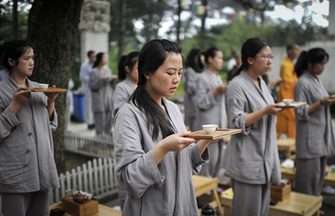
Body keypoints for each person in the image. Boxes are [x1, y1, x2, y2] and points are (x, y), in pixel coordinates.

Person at [114, 39, 216, 215]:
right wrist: (163, 147)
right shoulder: (128, 114)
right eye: (170, 73)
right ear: (147, 73)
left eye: (180, 72)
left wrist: (204, 140)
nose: (177, 79)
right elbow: (129, 178)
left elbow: (185, 162)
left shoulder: (173, 108)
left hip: (183, 203)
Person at [223, 37, 281, 216]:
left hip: (264, 156)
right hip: (247, 158)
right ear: (250, 59)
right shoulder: (236, 85)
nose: (270, 60)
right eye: (265, 56)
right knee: (247, 211)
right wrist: (265, 111)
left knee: (261, 211)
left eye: (271, 56)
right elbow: (235, 121)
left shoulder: (261, 82)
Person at [0, 40, 59, 216]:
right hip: (15, 172)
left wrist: (51, 101)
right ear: (11, 61)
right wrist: (15, 105)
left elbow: (50, 127)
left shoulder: (40, 89)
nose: (32, 62)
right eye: (27, 58)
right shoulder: (1, 91)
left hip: (42, 168)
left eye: (33, 57)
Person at [294, 47, 335, 195]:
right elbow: (300, 111)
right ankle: (305, 209)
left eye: (324, 64)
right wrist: (322, 103)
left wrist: (327, 101)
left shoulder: (316, 80)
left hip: (320, 139)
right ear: (310, 63)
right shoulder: (302, 83)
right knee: (307, 182)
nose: (323, 67)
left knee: (318, 178)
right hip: (309, 141)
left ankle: (315, 207)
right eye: (320, 64)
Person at [193, 46, 227, 177]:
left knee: (218, 161)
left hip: (219, 125)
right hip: (207, 126)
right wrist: (215, 91)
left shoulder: (218, 77)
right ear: (210, 59)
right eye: (219, 58)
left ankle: (212, 189)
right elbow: (200, 102)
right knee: (207, 163)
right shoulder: (201, 78)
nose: (221, 61)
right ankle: (204, 193)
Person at [277, 44, 300, 139]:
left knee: (289, 119)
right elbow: (288, 82)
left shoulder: (290, 64)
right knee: (290, 117)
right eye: (296, 50)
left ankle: (289, 141)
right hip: (286, 94)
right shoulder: (285, 64)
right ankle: (290, 142)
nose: (298, 53)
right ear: (290, 51)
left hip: (290, 94)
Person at [89, 52, 114, 136]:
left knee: (109, 119)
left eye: (107, 58)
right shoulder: (93, 71)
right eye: (104, 58)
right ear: (99, 59)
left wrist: (112, 80)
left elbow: (110, 85)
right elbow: (92, 86)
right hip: (99, 100)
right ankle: (99, 140)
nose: (106, 60)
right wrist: (102, 80)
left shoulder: (108, 70)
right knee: (100, 121)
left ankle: (107, 139)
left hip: (108, 98)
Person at [183, 48, 204, 130]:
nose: (203, 57)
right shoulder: (190, 70)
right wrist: (202, 85)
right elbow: (190, 88)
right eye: (201, 55)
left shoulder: (202, 70)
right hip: (192, 104)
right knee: (194, 128)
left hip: (201, 103)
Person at [112, 51, 139, 116]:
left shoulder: (141, 86)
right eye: (138, 68)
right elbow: (118, 110)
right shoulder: (121, 87)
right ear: (127, 69)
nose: (142, 72)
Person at [80, 50, 96, 129]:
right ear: (89, 57)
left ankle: (94, 122)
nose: (94, 58)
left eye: (95, 56)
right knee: (89, 107)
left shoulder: (96, 66)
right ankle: (89, 123)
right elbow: (82, 77)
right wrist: (92, 79)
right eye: (92, 56)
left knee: (94, 106)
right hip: (88, 89)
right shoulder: (84, 66)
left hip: (96, 90)